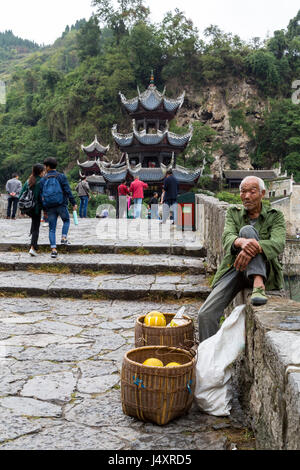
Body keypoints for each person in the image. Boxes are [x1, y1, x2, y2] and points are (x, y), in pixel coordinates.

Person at [197, 176, 286, 344]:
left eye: (252, 192)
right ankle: (208, 361)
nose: (246, 196)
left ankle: (258, 280)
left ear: (262, 194)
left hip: (266, 270)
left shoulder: (275, 216)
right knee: (205, 314)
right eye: (243, 192)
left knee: (247, 231)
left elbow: (278, 243)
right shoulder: (233, 213)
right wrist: (242, 242)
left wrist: (254, 246)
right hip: (235, 268)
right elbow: (227, 237)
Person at [39, 157, 77, 258]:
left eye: (45, 166)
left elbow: (40, 196)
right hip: (61, 204)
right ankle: (64, 238)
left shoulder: (43, 179)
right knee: (66, 221)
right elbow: (68, 191)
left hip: (50, 207)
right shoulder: (61, 177)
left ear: (47, 167)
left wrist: (44, 209)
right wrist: (73, 202)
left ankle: (54, 250)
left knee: (52, 229)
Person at [19, 164, 45, 256]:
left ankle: (32, 244)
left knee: (34, 223)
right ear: (40, 172)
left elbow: (21, 195)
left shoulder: (28, 180)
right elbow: (41, 197)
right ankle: (33, 247)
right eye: (43, 171)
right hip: (36, 208)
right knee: (36, 228)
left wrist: (22, 210)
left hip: (28, 208)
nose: (44, 172)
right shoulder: (41, 181)